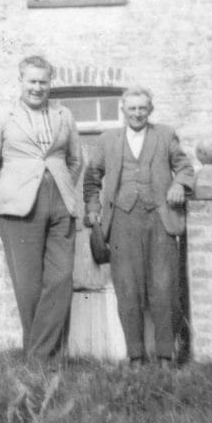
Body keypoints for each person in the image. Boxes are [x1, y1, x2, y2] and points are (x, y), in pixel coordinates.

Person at [0, 56, 83, 363]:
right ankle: (47, 361)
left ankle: (36, 357)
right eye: (31, 81)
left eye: (43, 82)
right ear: (20, 81)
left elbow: (75, 160)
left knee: (61, 279)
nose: (37, 88)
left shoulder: (64, 115)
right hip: (19, 210)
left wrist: (62, 186)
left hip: (61, 204)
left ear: (50, 83)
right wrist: (4, 196)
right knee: (29, 286)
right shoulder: (3, 118)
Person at [83, 86, 194, 368]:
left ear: (150, 110)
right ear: (123, 110)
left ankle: (166, 356)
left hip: (159, 219)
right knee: (128, 290)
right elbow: (92, 178)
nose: (137, 113)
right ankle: (135, 356)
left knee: (164, 289)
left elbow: (184, 166)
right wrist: (93, 210)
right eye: (131, 108)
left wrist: (180, 184)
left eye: (142, 108)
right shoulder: (107, 139)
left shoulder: (165, 135)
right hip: (121, 222)